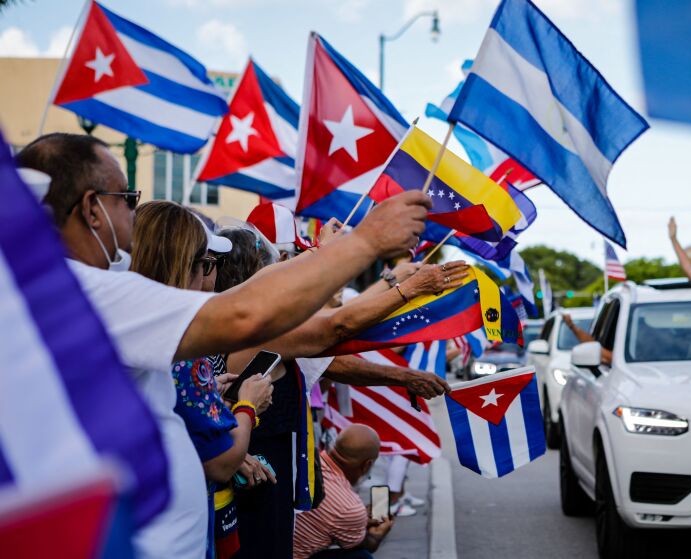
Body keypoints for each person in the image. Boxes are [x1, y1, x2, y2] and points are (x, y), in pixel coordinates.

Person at [15, 132, 429, 559]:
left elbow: (245, 298)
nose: (134, 215)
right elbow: (247, 314)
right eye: (127, 198)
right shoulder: (85, 292)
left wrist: (322, 257)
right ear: (92, 209)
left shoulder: (59, 286)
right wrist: (367, 242)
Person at [213, 225, 455, 559]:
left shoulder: (238, 322)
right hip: (258, 480)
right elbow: (335, 326)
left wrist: (325, 252)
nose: (281, 273)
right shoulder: (251, 330)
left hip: (267, 474)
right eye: (272, 265)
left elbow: (331, 324)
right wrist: (408, 288)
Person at [131, 201, 276, 558]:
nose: (211, 278)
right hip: (177, 533)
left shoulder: (127, 316)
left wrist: (209, 392)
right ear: (187, 266)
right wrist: (247, 405)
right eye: (208, 265)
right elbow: (222, 460)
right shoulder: (183, 343)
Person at [294, 425, 393, 559]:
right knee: (362, 557)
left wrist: (359, 521)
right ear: (367, 465)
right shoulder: (349, 507)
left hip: (269, 547)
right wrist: (377, 535)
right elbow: (367, 545)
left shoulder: (307, 460)